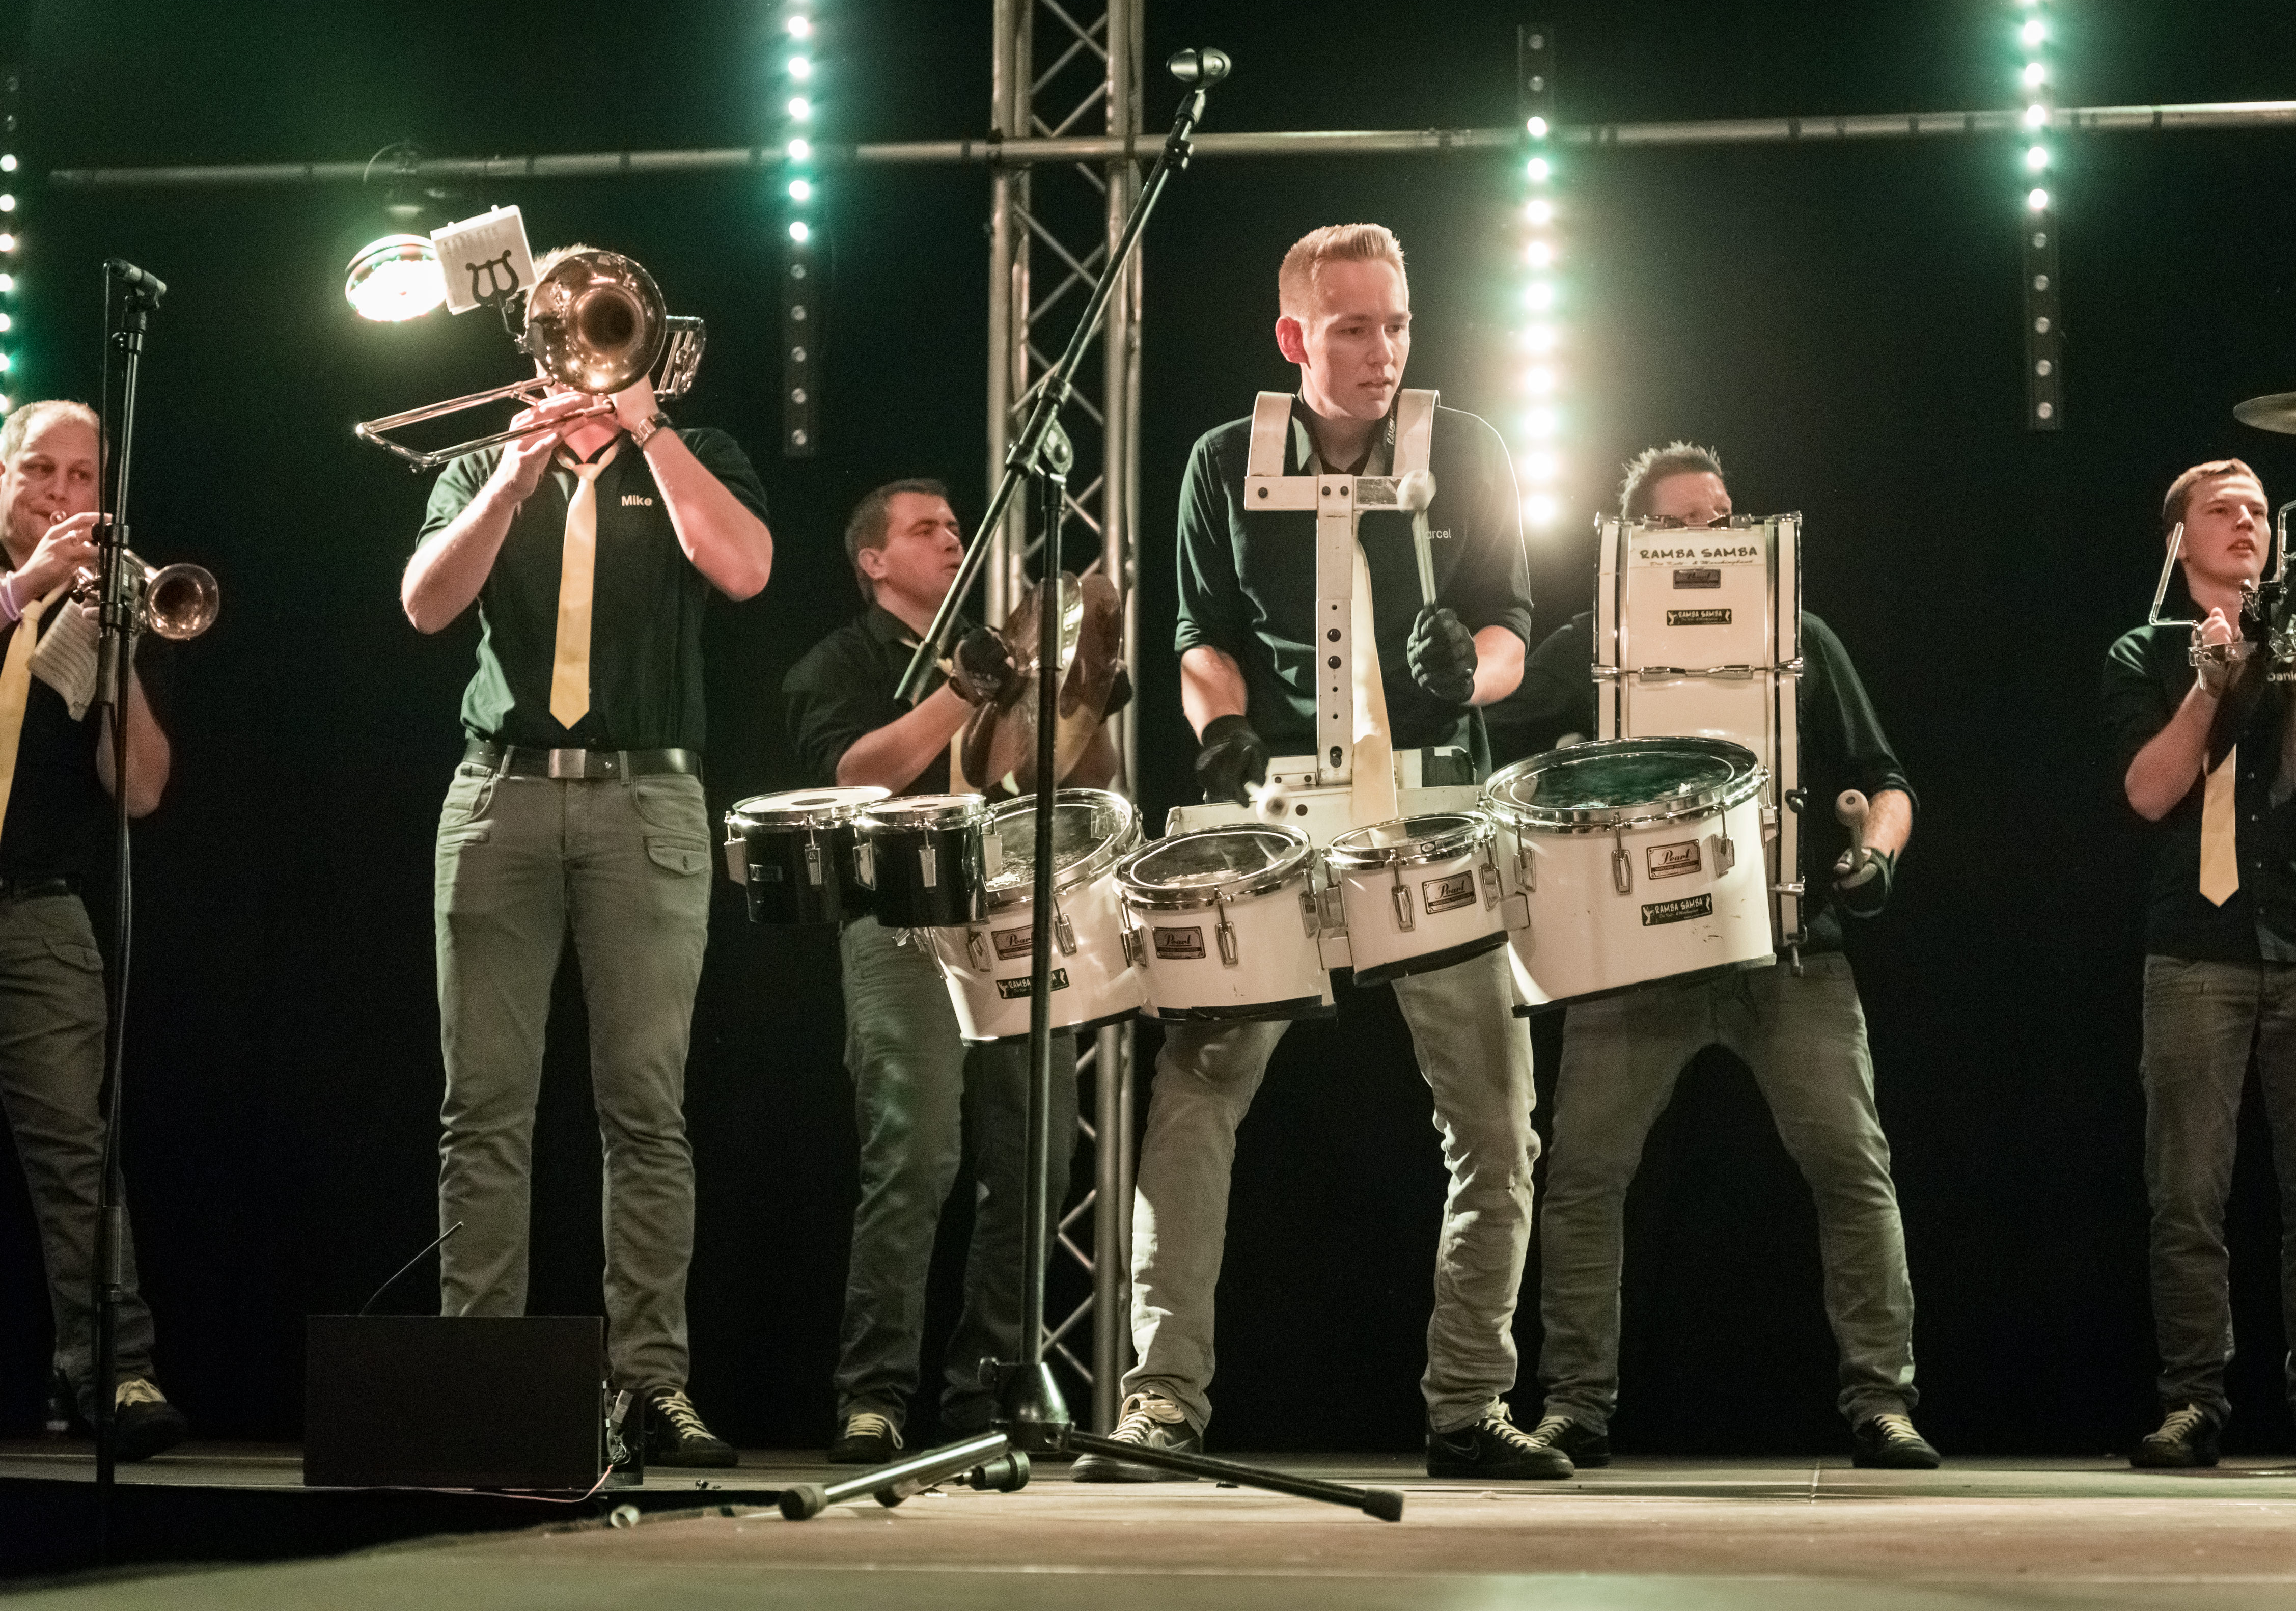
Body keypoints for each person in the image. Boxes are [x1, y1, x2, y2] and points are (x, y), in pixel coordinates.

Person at [1076, 222, 1567, 1481]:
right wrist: (1222, 726)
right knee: (1196, 1093)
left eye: (1396, 323)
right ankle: (1161, 1401)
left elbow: (1511, 630)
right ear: (1294, 336)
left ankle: (1468, 1402)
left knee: (1494, 1120)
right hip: (1279, 811)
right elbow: (1199, 631)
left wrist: (1468, 671)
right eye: (1353, 327)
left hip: (1430, 804)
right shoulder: (1220, 460)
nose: (1382, 350)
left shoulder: (1466, 448)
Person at [1489, 443, 1940, 1471]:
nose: (1712, 535)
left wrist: (1873, 856)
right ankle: (1575, 1404)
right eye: (1685, 520)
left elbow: (1887, 780)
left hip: (1789, 951)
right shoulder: (1595, 640)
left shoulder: (1797, 634)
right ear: (1635, 538)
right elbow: (1492, 715)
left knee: (1851, 1167)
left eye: (1725, 516)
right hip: (1630, 962)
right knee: (1582, 1179)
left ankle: (1882, 1399)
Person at [400, 246, 772, 1468]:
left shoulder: (697, 453)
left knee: (645, 1109)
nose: (589, 345)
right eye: (567, 328)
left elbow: (746, 567)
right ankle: (475, 1380)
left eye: (609, 326)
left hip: (647, 798)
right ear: (537, 342)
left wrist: (648, 429)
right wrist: (514, 475)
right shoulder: (478, 464)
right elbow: (425, 604)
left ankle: (651, 1381)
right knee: (483, 1109)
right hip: (499, 794)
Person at [782, 478, 1078, 1463]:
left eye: (955, 526)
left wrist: (1083, 699)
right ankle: (873, 1395)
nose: (952, 539)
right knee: (913, 1156)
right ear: (873, 561)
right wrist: (964, 689)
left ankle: (986, 1394)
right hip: (900, 921)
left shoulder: (1001, 657)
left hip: (1010, 917)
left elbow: (1078, 776)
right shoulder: (840, 662)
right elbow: (855, 774)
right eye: (926, 529)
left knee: (1035, 1157)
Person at [2103, 457, 2296, 1468]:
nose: (2246, 523)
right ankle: (2194, 1400)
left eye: (2258, 510)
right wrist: (2206, 689)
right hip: (2196, 948)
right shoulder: (2144, 651)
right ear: (2179, 539)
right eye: (2221, 509)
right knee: (2186, 1194)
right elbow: (2147, 792)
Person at [0, 400, 184, 1461]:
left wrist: (115, 650)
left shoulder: (103, 600)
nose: (61, 495)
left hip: (34, 903)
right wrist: (23, 588)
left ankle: (113, 1369)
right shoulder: (21, 584)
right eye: (40, 471)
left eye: (81, 478)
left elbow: (142, 790)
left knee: (79, 1151)